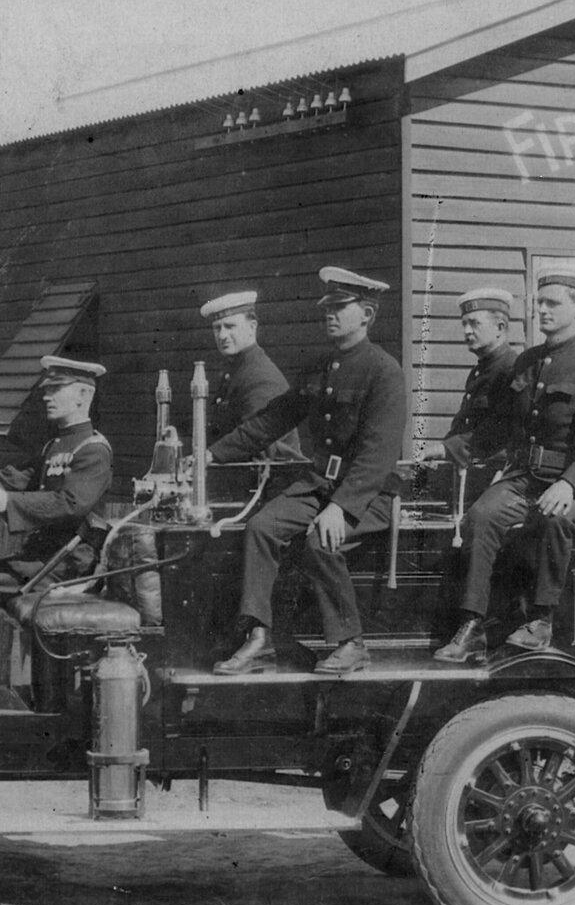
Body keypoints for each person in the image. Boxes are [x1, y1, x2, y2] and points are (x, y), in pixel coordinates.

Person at [207, 266, 406, 676]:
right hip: (320, 482)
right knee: (261, 527)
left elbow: (378, 454)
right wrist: (211, 455)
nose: (329, 314)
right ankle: (259, 638)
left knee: (321, 542)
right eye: (327, 307)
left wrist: (341, 507)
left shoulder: (384, 372)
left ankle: (351, 644)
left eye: (340, 307)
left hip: (369, 493)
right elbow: (270, 420)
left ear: (367, 315)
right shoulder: (320, 367)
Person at [433, 264, 575, 663]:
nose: (542, 311)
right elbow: (497, 429)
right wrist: (445, 449)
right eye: (539, 303)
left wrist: (569, 485)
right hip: (522, 478)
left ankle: (541, 619)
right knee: (481, 516)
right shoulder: (526, 363)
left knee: (555, 517)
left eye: (553, 303)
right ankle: (472, 626)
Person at [0, 356, 114, 649]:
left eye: (56, 388)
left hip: (66, 566)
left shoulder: (93, 451)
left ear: (83, 395)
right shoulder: (54, 447)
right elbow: (9, 480)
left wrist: (7, 503)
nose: (46, 395)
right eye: (46, 388)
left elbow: (70, 503)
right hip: (44, 560)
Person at [418, 286, 521, 506]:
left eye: (474, 323)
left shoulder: (512, 369)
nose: (466, 331)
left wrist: (448, 449)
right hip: (474, 468)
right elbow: (465, 424)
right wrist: (445, 447)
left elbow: (498, 431)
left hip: (495, 475)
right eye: (464, 324)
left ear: (500, 327)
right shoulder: (481, 371)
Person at [200, 289, 300, 460]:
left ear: (252, 327)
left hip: (268, 481)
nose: (222, 335)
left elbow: (260, 449)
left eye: (230, 326)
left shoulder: (260, 376)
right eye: (217, 328)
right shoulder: (239, 369)